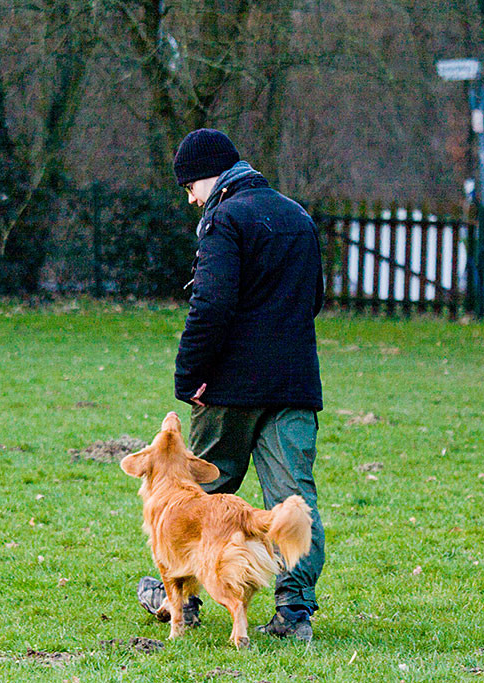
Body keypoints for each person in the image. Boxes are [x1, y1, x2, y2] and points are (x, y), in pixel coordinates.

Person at [136, 128, 325, 642]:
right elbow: (314, 300)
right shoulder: (298, 216)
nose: (190, 199)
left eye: (188, 188)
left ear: (205, 177)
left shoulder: (222, 219)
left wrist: (189, 372)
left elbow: (211, 305)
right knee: (292, 498)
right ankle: (294, 613)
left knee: (202, 488)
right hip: (294, 384)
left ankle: (183, 596)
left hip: (232, 386)